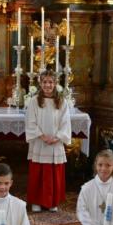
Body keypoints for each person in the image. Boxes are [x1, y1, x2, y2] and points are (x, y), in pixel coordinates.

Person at [25, 70, 72, 212]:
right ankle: (37, 201)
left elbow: (66, 123)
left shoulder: (62, 102)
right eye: (45, 82)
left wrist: (57, 137)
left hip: (55, 143)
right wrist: (42, 136)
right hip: (40, 142)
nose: (47, 85)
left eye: (51, 82)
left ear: (55, 84)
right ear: (40, 83)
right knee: (38, 173)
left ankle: (52, 202)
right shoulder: (34, 102)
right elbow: (30, 122)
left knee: (53, 174)